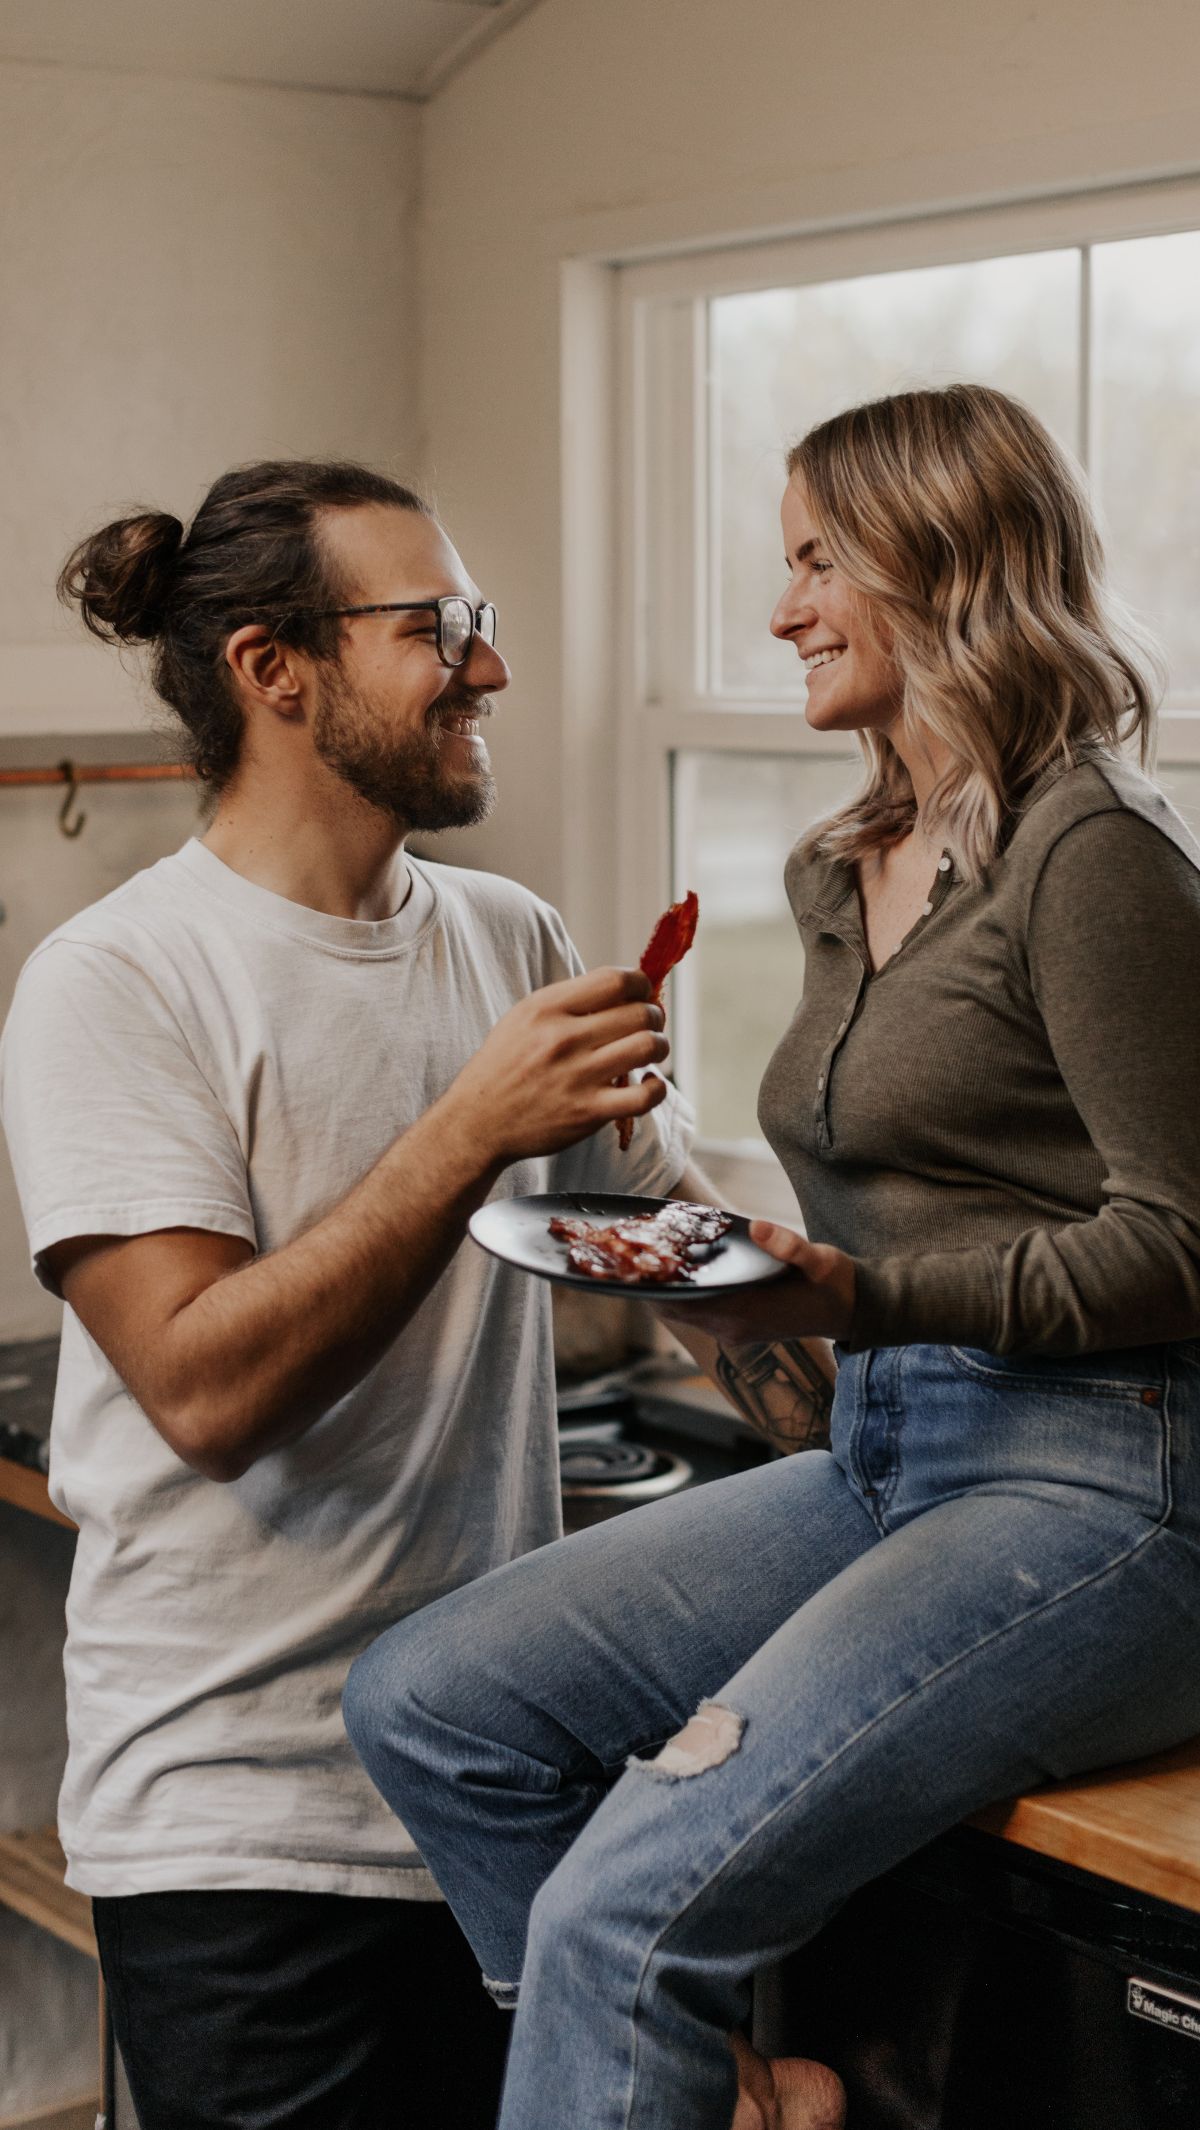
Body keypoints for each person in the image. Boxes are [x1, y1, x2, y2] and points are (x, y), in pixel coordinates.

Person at [343, 384, 1200, 2130]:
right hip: (887, 1452)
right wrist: (726, 1274)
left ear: (936, 563)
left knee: (616, 1913)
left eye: (817, 561)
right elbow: (908, 1209)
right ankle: (734, 2094)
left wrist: (862, 1293)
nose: (783, 607)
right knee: (432, 1704)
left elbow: (1177, 1246)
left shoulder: (1090, 852)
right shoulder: (849, 864)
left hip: (1109, 1488)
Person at [0, 460, 697, 2130]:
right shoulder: (119, 978)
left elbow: (676, 1253)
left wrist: (897, 1332)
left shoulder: (510, 937)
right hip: (243, 1830)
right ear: (274, 668)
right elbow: (205, 1391)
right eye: (440, 626)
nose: (492, 668)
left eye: (486, 622)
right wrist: (472, 1125)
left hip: (500, 1791)